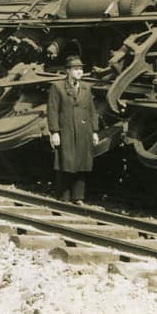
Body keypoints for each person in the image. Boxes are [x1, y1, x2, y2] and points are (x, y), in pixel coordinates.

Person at [47, 55, 100, 203]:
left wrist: (94, 131)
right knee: (65, 162)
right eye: (76, 69)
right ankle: (63, 195)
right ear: (68, 71)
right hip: (66, 130)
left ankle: (78, 197)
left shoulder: (86, 88)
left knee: (82, 163)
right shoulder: (57, 87)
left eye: (81, 69)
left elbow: (92, 111)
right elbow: (52, 110)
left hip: (83, 131)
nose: (79, 72)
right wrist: (54, 132)